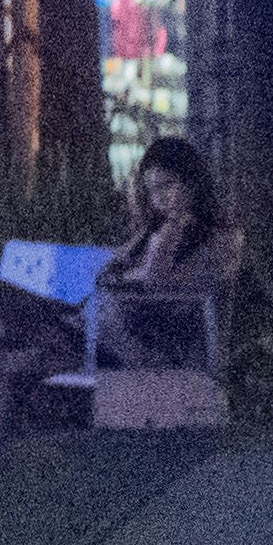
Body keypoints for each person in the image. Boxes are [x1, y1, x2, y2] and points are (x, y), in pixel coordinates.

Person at [87, 132, 241, 391]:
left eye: (167, 185)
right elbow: (113, 269)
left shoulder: (221, 237)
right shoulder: (151, 232)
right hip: (122, 325)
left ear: (191, 183)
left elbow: (158, 285)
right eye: (151, 190)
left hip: (165, 337)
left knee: (70, 325)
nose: (158, 198)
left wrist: (174, 225)